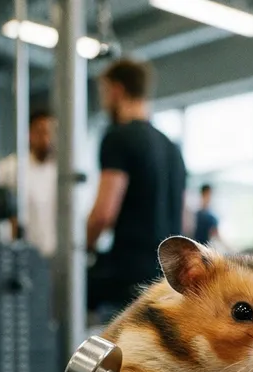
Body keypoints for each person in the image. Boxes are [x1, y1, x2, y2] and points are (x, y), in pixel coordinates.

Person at [86, 58, 187, 311]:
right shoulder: (172, 147)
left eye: (104, 93)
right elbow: (187, 221)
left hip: (129, 277)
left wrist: (82, 248)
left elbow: (103, 214)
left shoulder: (118, 137)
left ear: (116, 90)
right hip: (168, 277)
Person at [0, 109, 58, 257]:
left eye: (50, 132)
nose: (46, 139)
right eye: (40, 132)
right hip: (23, 257)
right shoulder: (11, 168)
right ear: (30, 134)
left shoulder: (64, 174)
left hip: (57, 259)